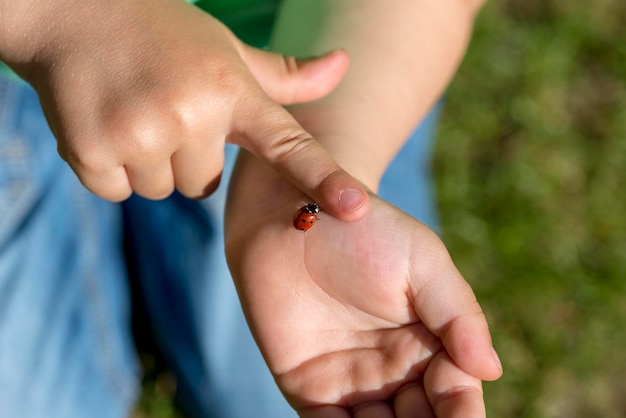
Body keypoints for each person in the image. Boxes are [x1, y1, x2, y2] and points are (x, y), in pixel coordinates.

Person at [0, 0, 502, 417]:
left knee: (294, 392)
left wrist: (323, 151)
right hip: (20, 63)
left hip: (303, 82)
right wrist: (60, 16)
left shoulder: (303, 204)